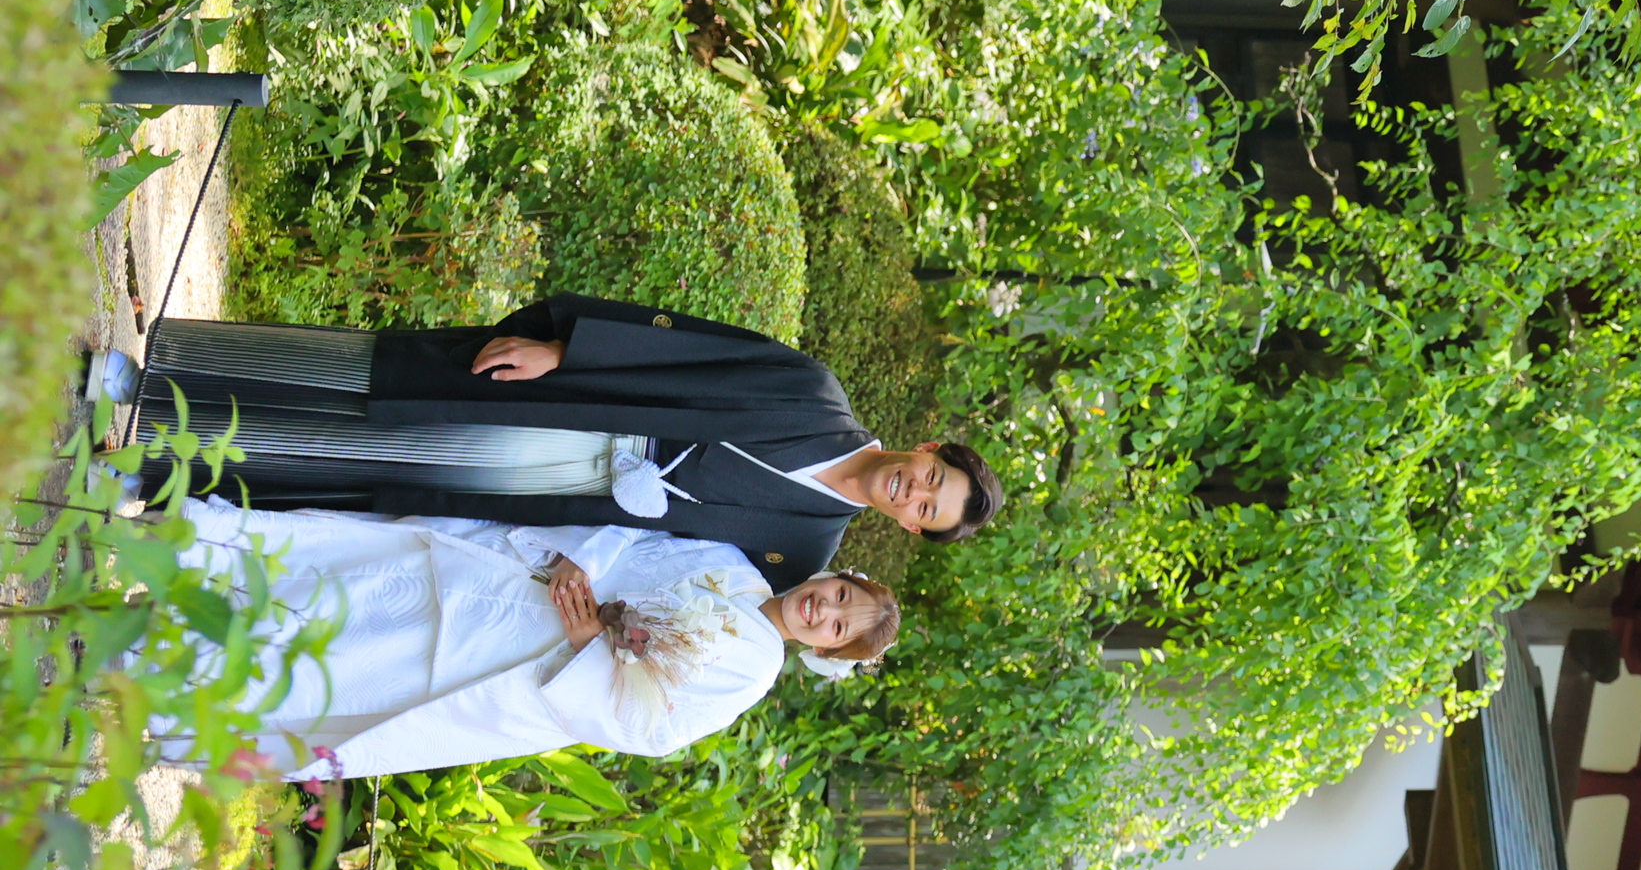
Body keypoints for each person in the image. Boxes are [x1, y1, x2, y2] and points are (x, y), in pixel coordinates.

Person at [92, 294, 1004, 592]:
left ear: (915, 532)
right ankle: (162, 373)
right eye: (932, 477)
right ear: (927, 447)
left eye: (927, 509)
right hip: (588, 406)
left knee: (369, 467)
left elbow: (669, 575)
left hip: (565, 496)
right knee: (380, 385)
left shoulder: (801, 550)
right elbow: (691, 346)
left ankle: (159, 460)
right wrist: (565, 350)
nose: (913, 492)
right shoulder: (814, 393)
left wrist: (579, 569)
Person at [173, 499, 897, 779]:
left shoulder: (751, 672)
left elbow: (655, 727)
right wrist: (590, 558)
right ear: (834, 576)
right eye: (838, 596)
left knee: (363, 667)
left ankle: (182, 679)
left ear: (826, 653)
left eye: (836, 626)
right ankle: (195, 549)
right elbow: (641, 540)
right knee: (364, 573)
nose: (821, 611)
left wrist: (594, 645)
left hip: (529, 660)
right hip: (527, 586)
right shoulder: (736, 566)